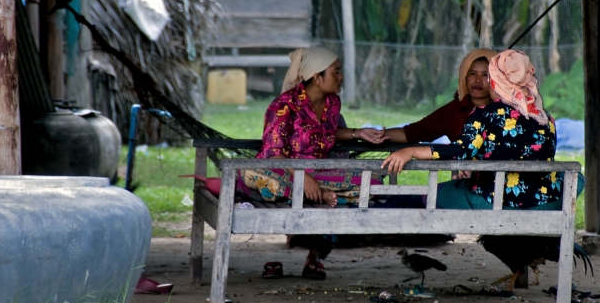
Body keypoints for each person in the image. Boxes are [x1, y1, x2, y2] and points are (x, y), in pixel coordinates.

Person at [237, 47, 386, 279]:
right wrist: (302, 177)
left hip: (319, 174)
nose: (341, 77)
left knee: (373, 182)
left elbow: (328, 132)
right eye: (336, 72)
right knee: (252, 174)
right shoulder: (283, 106)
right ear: (317, 77)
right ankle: (319, 194)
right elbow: (273, 154)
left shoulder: (332, 103)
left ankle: (315, 193)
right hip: (282, 171)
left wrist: (357, 133)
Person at [381, 49, 566, 210]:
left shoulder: (484, 114)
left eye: (489, 77)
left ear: (498, 82)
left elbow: (460, 151)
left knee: (433, 195)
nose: (483, 81)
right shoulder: (545, 117)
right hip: (543, 201)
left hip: (494, 201)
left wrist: (411, 152)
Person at [384, 49, 498, 144]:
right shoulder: (453, 111)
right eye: (472, 74)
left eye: (485, 75)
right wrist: (379, 134)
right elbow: (413, 132)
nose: (478, 80)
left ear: (497, 78)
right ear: (464, 77)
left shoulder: (506, 109)